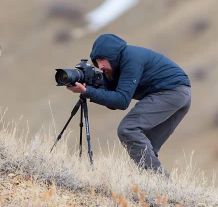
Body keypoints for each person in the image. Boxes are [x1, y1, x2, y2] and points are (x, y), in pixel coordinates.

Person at [67, 33, 191, 177]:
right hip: (180, 95)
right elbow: (113, 103)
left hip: (171, 92)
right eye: (96, 61)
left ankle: (161, 181)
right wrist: (93, 87)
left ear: (113, 56)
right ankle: (156, 188)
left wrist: (88, 92)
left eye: (102, 60)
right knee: (144, 148)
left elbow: (121, 101)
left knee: (128, 129)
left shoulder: (131, 60)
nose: (100, 66)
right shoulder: (116, 66)